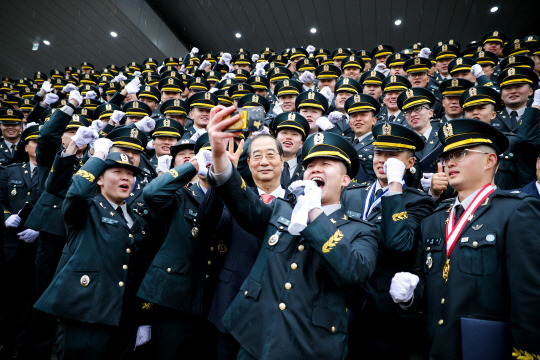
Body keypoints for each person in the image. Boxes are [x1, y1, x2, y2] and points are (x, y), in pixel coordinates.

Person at [206, 105, 378, 359]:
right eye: (310, 165)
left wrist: (314, 213)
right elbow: (243, 203)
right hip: (255, 341)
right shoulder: (281, 211)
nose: (316, 169)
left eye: (326, 164)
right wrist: (219, 157)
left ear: (345, 180)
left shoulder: (361, 230)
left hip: (309, 348)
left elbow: (353, 271)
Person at [390, 119, 540, 359]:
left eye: (461, 154)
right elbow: (431, 292)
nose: (449, 161)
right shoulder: (434, 220)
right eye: (447, 155)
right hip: (437, 348)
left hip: (489, 350)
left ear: (490, 161)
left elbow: (530, 298)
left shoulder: (516, 211)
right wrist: (409, 298)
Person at [34, 150, 149, 360]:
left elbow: (136, 272)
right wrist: (97, 158)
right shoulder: (86, 209)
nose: (126, 177)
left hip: (122, 318)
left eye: (131, 174)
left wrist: (142, 318)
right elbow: (77, 192)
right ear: (99, 180)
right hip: (84, 314)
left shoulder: (137, 220)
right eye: (117, 171)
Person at [342, 122, 435, 359]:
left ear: (410, 163)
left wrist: (394, 187)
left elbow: (398, 243)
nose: (382, 160)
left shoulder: (417, 201)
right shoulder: (352, 194)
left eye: (393, 156)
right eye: (379, 153)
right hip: (341, 306)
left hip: (383, 316)